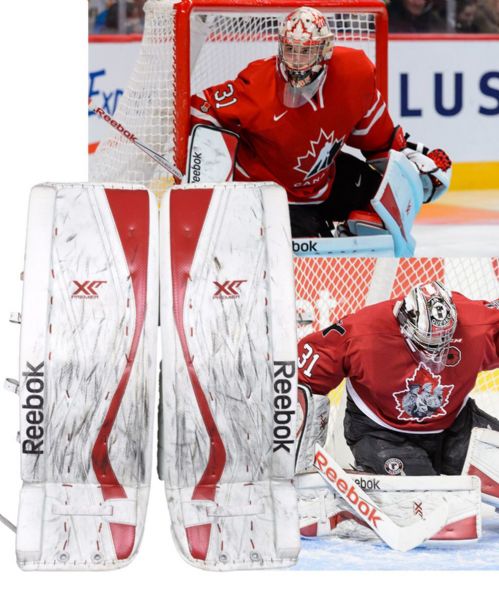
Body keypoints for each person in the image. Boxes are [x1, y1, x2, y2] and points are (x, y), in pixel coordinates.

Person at [190, 6, 451, 238]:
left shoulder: (354, 74)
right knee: (306, 260)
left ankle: (350, 236)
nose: (297, 61)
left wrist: (412, 166)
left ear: (325, 50)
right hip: (272, 196)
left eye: (306, 51)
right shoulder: (257, 83)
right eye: (291, 49)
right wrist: (208, 180)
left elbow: (378, 141)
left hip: (324, 179)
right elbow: (201, 108)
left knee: (390, 199)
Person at [297, 281, 499, 475]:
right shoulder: (362, 333)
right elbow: (302, 379)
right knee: (420, 500)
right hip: (381, 432)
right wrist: (300, 456)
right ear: (404, 327)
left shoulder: (478, 324)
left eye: (444, 345)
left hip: (455, 424)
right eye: (427, 345)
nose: (436, 356)